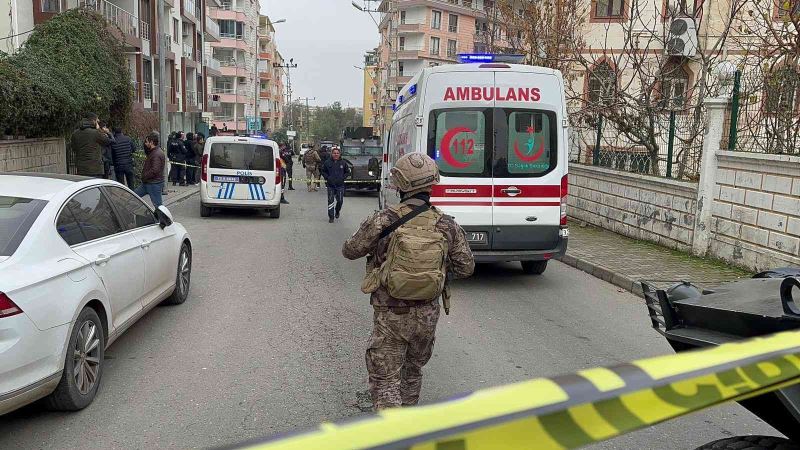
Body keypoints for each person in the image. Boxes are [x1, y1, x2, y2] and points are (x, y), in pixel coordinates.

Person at [342, 153, 475, 411]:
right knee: (412, 371)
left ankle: (393, 433)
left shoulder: (383, 220)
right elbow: (466, 267)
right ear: (431, 184)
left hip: (391, 312)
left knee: (385, 380)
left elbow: (350, 250)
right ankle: (409, 425)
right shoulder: (446, 225)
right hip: (426, 313)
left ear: (400, 184)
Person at [71, 113, 115, 178]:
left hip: (81, 169)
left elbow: (74, 148)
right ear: (93, 121)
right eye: (97, 121)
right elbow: (109, 141)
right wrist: (100, 130)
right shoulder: (96, 132)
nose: (99, 122)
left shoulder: (75, 133)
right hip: (95, 169)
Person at [135, 132, 166, 207]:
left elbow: (155, 170)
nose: (145, 144)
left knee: (158, 206)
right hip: (148, 183)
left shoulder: (156, 154)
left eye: (146, 142)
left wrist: (144, 176)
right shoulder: (154, 152)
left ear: (151, 142)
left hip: (154, 184)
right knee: (133, 196)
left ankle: (162, 218)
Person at [321, 147, 351, 223]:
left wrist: (342, 178)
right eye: (334, 153)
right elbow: (323, 171)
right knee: (330, 201)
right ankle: (331, 217)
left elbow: (347, 172)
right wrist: (327, 177)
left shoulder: (343, 163)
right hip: (330, 185)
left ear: (339, 154)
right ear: (332, 154)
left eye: (337, 153)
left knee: (340, 201)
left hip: (340, 185)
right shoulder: (327, 162)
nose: (336, 154)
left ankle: (337, 211)